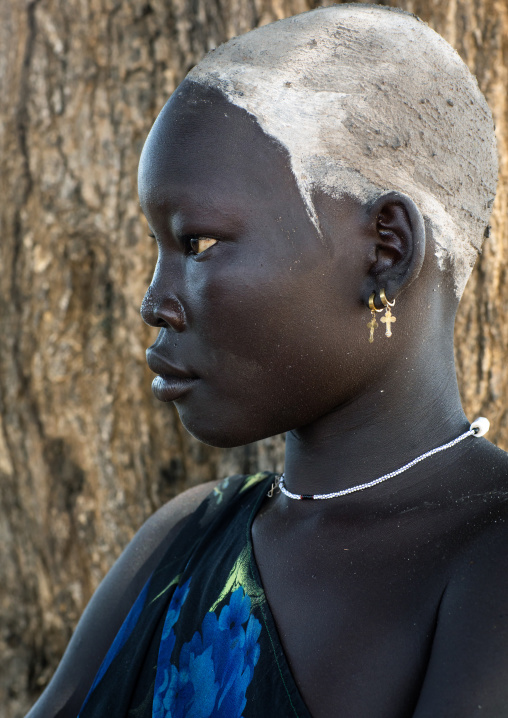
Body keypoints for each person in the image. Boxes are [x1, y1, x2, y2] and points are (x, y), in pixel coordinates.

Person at [28, 4, 507, 717]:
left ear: (385, 251)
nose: (155, 302)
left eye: (198, 245)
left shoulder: (490, 557)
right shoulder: (184, 542)